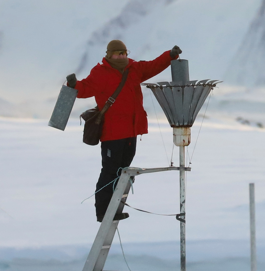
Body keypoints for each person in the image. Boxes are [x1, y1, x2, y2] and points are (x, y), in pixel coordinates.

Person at [67, 40, 181, 221]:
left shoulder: (134, 68)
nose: (121, 56)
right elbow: (85, 88)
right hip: (112, 133)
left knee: (123, 171)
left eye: (124, 53)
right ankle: (103, 212)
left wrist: (170, 55)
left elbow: (154, 66)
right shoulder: (100, 73)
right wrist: (73, 85)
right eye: (117, 53)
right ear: (109, 54)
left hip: (131, 131)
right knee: (110, 171)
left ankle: (115, 209)